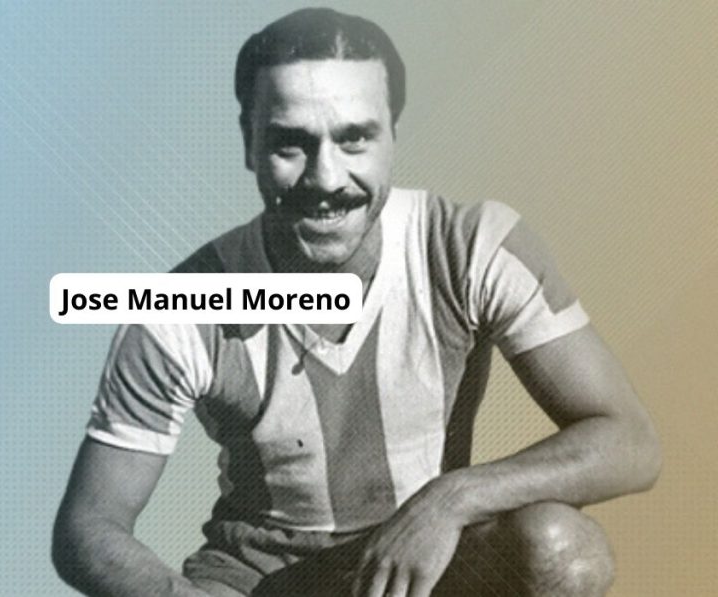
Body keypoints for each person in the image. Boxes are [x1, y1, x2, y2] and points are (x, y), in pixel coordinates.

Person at [52, 8, 661, 597]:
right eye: (291, 144)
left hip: (424, 568)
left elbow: (630, 441)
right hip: (263, 583)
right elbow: (88, 528)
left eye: (354, 139)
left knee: (563, 550)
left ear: (393, 135)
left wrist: (449, 500)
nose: (326, 178)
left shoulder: (470, 247)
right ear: (248, 142)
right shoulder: (180, 308)